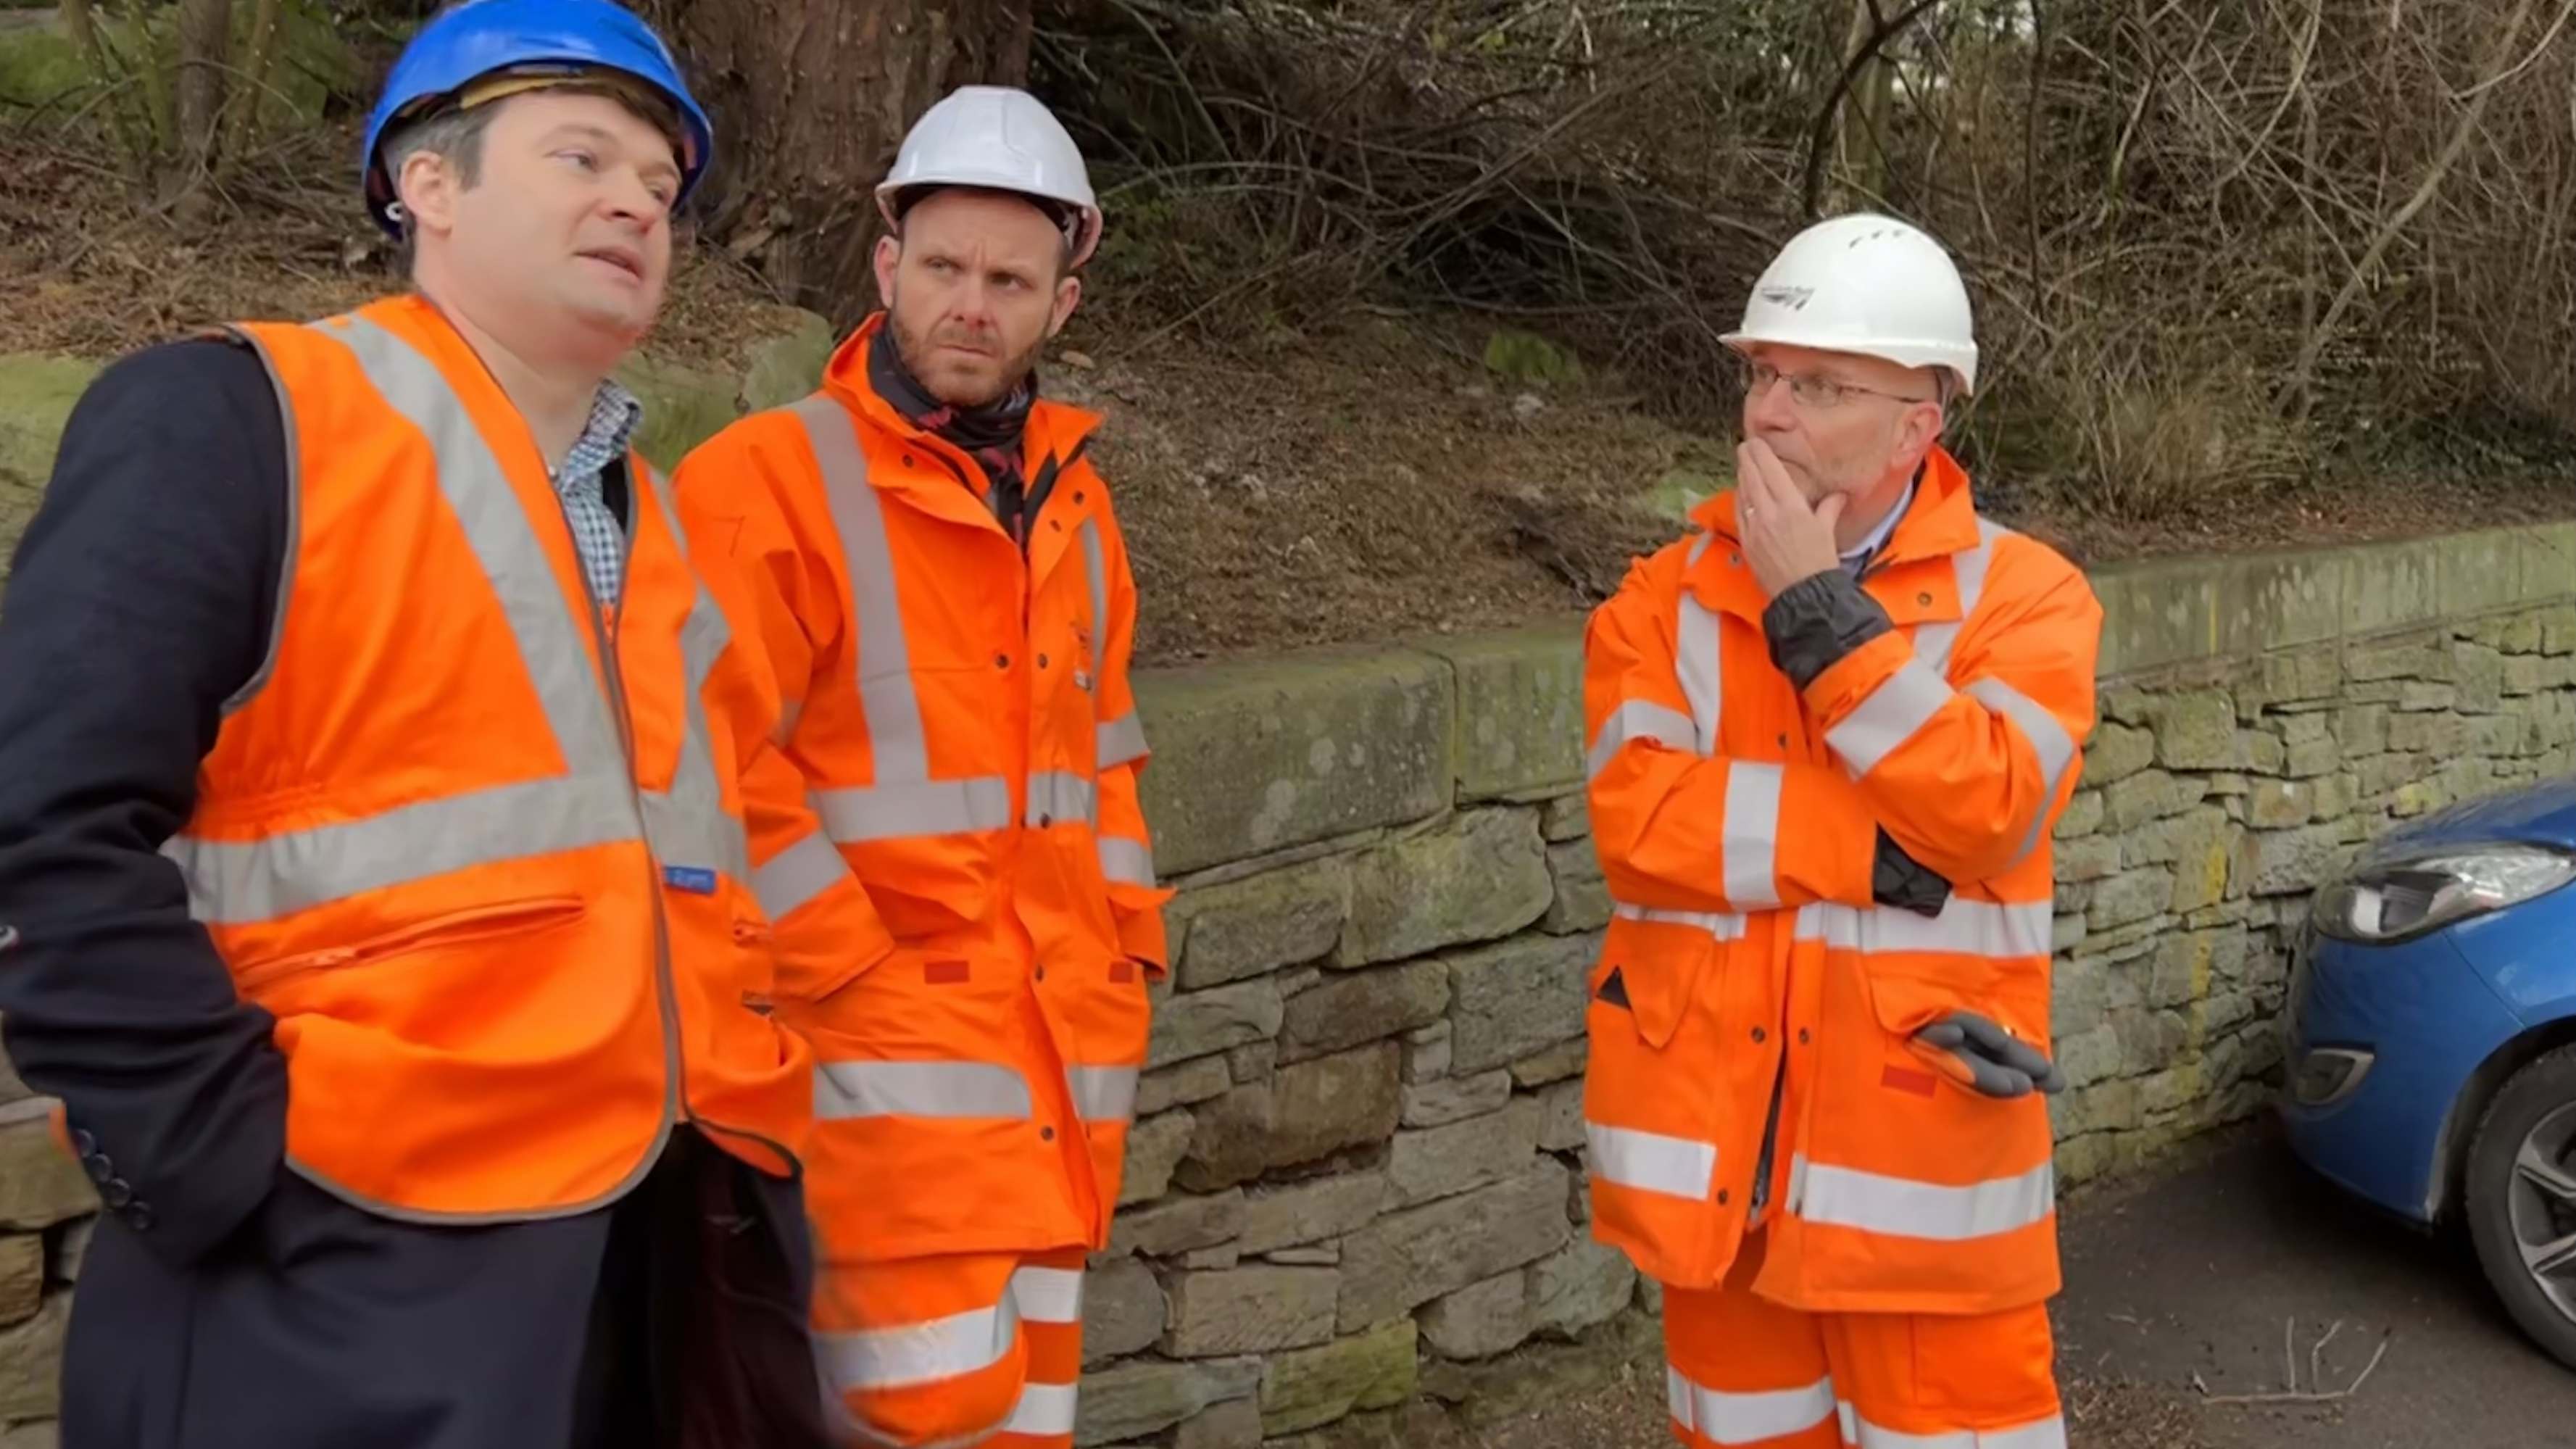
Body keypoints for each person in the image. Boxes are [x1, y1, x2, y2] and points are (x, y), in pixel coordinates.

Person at [0, 3, 882, 1445]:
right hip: (336, 1252)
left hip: (658, 1263)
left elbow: (703, 874)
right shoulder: (245, 418)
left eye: (661, 185)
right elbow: (41, 815)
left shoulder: (660, 525)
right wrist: (207, 1151)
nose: (635, 203)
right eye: (581, 156)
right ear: (428, 183)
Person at [669, 83, 1169, 1449]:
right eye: (944, 268)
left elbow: (1101, 761)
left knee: (1028, 1423)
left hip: (1057, 1088)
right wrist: (854, 977)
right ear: (885, 267)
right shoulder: (762, 482)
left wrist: (1124, 952)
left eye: (1010, 281)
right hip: (875, 1104)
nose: (971, 306)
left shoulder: (1076, 506)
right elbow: (700, 767)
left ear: (1061, 302)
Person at [1576, 212, 2101, 1449]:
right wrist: (1875, 852)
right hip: (1719, 1190)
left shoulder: (2024, 597)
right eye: (1762, 374)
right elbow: (1639, 821)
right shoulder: (1660, 598)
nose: (1767, 413)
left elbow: (1984, 805)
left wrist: (1815, 611)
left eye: (1818, 385)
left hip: (1918, 1190)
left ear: (1917, 425)